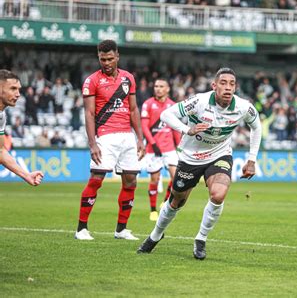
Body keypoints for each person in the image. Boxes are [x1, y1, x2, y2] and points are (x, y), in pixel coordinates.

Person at [137, 67, 262, 260]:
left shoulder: (243, 107)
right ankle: (155, 235)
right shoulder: (199, 101)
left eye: (232, 84)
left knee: (219, 194)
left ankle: (201, 239)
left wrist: (252, 159)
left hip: (219, 154)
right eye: (223, 83)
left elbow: (257, 126)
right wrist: (187, 129)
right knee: (176, 200)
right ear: (214, 86)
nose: (228, 88)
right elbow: (166, 115)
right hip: (190, 157)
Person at [75, 40, 145, 241]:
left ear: (117, 56)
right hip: (105, 136)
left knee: (131, 182)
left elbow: (133, 109)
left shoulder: (128, 78)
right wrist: (92, 143)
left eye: (110, 59)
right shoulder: (92, 81)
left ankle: (121, 229)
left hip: (127, 137)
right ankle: (81, 229)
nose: (106, 63)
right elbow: (89, 113)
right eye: (102, 59)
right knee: (96, 179)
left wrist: (139, 138)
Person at [141, 79, 181, 221]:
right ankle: (153, 210)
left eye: (161, 86)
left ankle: (165, 201)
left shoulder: (173, 106)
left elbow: (175, 129)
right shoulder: (148, 104)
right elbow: (144, 127)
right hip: (153, 149)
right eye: (156, 86)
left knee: (176, 178)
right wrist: (153, 144)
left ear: (167, 88)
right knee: (155, 179)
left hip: (169, 148)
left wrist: (179, 146)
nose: (158, 89)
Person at [0, 69, 43, 186]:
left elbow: (1, 151)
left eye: (18, 89)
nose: (18, 94)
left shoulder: (1, 116)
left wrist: (26, 175)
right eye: (13, 88)